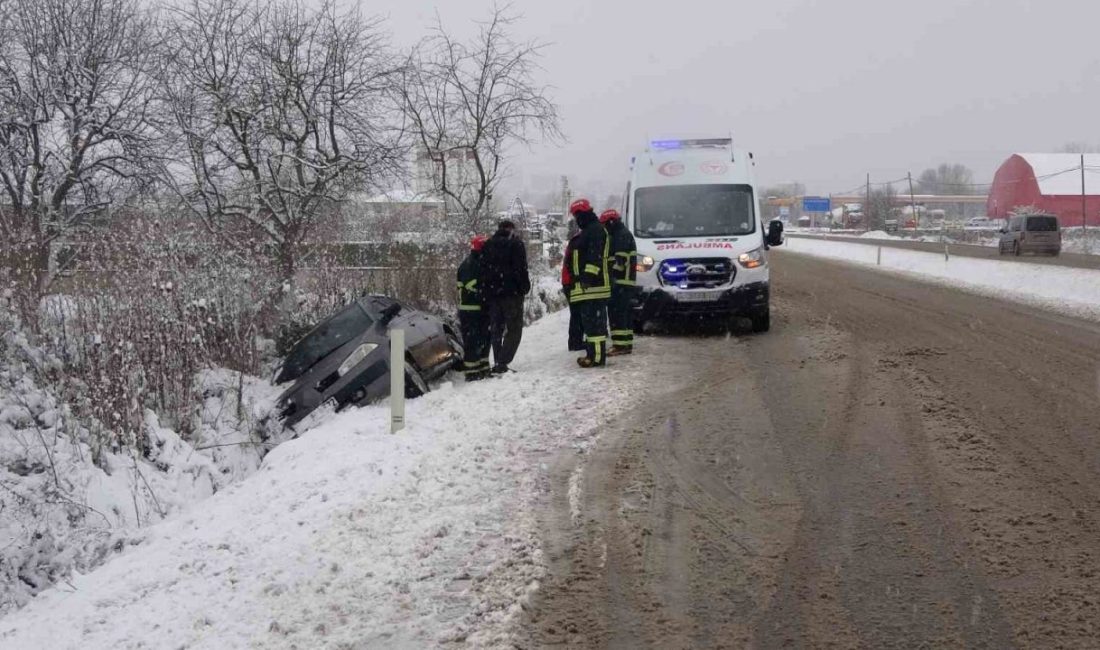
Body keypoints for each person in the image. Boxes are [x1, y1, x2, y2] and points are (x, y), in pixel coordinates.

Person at [479, 219, 531, 373]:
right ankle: (502, 361)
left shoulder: (487, 245)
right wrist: (524, 287)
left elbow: (483, 270)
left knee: (496, 329)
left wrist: (487, 291)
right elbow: (521, 269)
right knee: (514, 328)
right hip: (512, 294)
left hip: (494, 295)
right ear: (511, 229)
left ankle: (497, 361)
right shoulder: (516, 244)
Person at [567, 198, 611, 368]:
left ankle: (597, 358)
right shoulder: (590, 230)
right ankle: (592, 355)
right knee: (590, 325)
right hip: (587, 288)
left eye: (577, 215)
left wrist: (587, 277)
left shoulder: (595, 230)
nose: (576, 219)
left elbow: (594, 258)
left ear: (583, 214)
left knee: (595, 326)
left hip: (594, 286)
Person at [600, 209, 638, 355]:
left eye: (605, 224)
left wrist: (607, 273)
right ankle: (626, 343)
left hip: (620, 282)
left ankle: (619, 346)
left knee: (617, 314)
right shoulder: (623, 233)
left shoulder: (620, 236)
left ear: (611, 222)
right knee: (625, 314)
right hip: (626, 282)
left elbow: (619, 261)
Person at [456, 235, 491, 381]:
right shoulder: (472, 264)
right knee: (473, 341)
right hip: (472, 309)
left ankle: (482, 368)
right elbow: (473, 286)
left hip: (476, 308)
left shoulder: (473, 262)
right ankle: (471, 372)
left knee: (483, 339)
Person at [560, 230, 584, 351]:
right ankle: (575, 342)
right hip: (570, 282)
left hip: (568, 281)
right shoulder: (579, 241)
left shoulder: (577, 240)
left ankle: (575, 341)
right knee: (577, 312)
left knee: (577, 312)